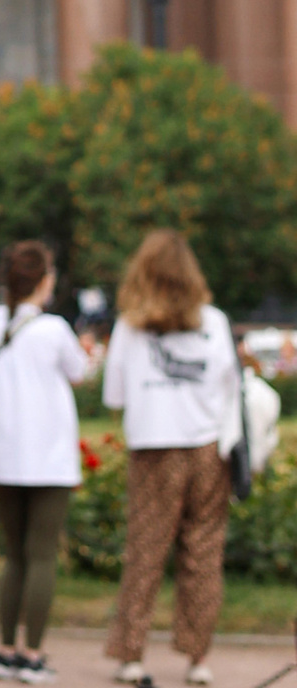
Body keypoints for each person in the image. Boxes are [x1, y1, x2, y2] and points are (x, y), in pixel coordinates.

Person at [102, 229, 239, 688]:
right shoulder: (214, 322)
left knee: (145, 551)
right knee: (203, 552)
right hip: (206, 446)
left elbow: (114, 395)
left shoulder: (130, 325)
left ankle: (132, 655)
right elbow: (229, 387)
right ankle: (198, 658)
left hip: (153, 447)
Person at [0, 240, 98, 683]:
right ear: (43, 280)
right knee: (42, 556)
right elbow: (79, 372)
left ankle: (4, 649)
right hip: (50, 458)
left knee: (14, 556)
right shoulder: (54, 328)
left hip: (2, 455)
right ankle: (33, 653)